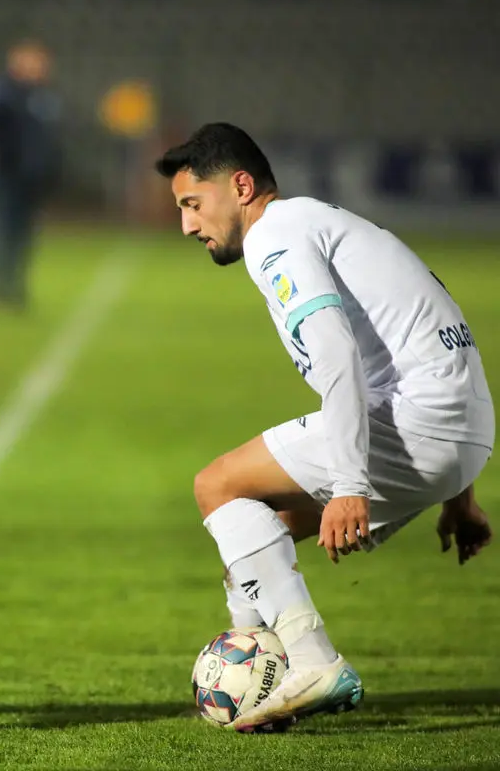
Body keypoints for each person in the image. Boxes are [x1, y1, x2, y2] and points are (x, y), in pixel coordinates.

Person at [155, 122, 494, 732]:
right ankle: (264, 677)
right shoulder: (323, 223)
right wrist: (459, 491)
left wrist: (347, 486)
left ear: (240, 186)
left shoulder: (276, 236)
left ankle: (312, 661)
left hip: (420, 422)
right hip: (462, 430)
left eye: (193, 204)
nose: (188, 225)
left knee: (218, 487)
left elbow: (336, 356)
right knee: (255, 548)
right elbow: (433, 338)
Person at [0, 39, 62, 311]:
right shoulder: (0, 91)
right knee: (2, 230)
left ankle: (14, 287)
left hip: (31, 176)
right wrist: (1, 158)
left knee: (23, 234)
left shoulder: (41, 95)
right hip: (6, 174)